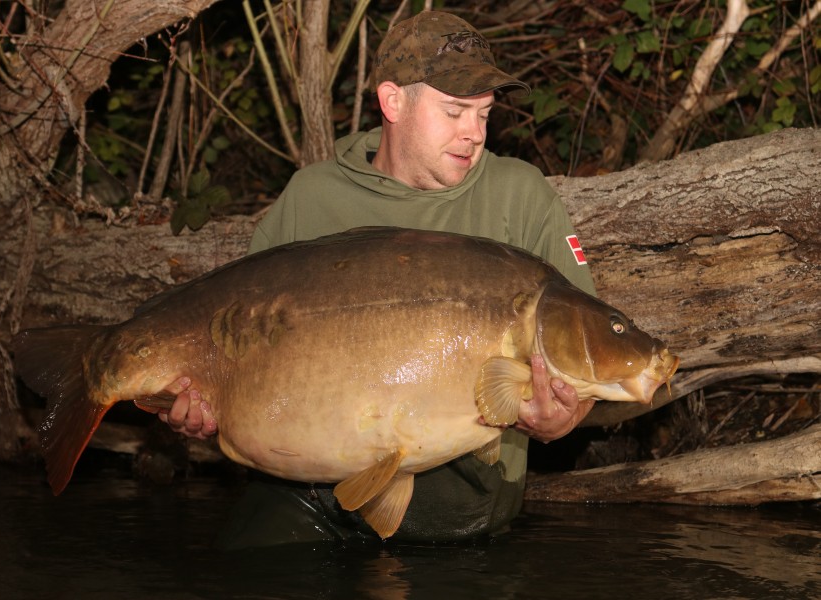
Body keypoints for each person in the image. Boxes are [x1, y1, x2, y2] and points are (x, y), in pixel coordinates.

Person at [160, 10, 597, 547]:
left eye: (485, 114)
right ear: (393, 102)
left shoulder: (521, 197)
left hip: (462, 496)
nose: (475, 134)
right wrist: (202, 405)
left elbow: (586, 353)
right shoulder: (311, 197)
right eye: (456, 111)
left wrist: (563, 419)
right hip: (303, 484)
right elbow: (236, 346)